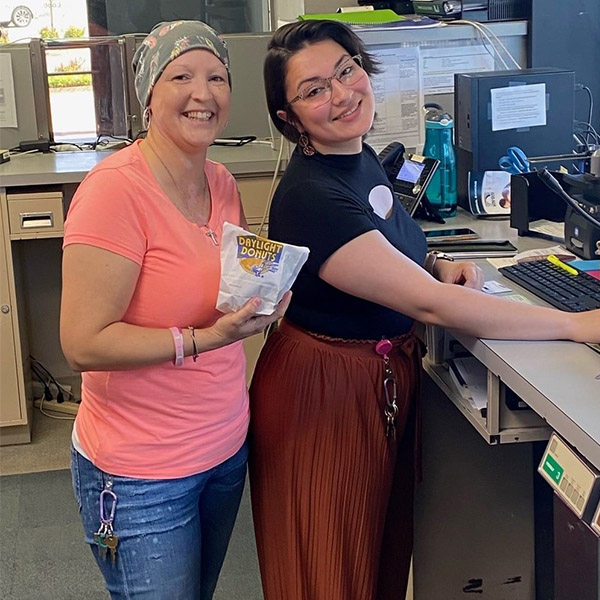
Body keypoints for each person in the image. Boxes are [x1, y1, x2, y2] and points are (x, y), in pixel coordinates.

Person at [248, 19, 600, 600]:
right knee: (327, 569)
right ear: (289, 119)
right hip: (324, 394)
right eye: (314, 90)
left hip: (375, 379)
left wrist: (435, 262)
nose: (341, 94)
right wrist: (575, 323)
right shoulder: (311, 197)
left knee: (378, 559)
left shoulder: (355, 159)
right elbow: (433, 306)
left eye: (346, 70)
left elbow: (393, 244)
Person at [60, 20, 289, 600]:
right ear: (148, 96)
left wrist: (263, 299)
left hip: (224, 448)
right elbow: (84, 342)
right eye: (180, 76)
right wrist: (204, 339)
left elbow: (218, 289)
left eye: (216, 77)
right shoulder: (115, 191)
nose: (202, 93)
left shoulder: (222, 180)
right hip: (140, 472)